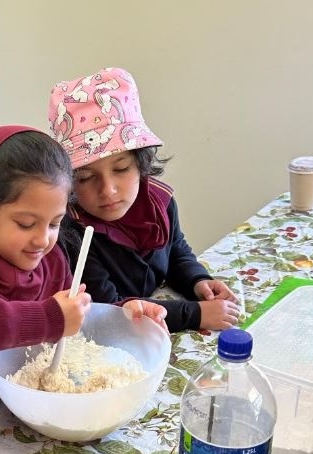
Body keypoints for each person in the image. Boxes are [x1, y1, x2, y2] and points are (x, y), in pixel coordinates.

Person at [0, 126, 167, 454]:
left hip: (41, 426)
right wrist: (48, 318)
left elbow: (74, 325)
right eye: (26, 223)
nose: (42, 239)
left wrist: (127, 311)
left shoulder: (50, 259)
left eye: (55, 223)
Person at [48, 67, 239, 334]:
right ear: (68, 181)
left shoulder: (160, 201)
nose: (108, 190)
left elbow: (177, 253)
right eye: (86, 177)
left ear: (141, 163)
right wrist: (194, 314)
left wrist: (198, 281)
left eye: (121, 169)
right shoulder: (72, 231)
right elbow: (108, 309)